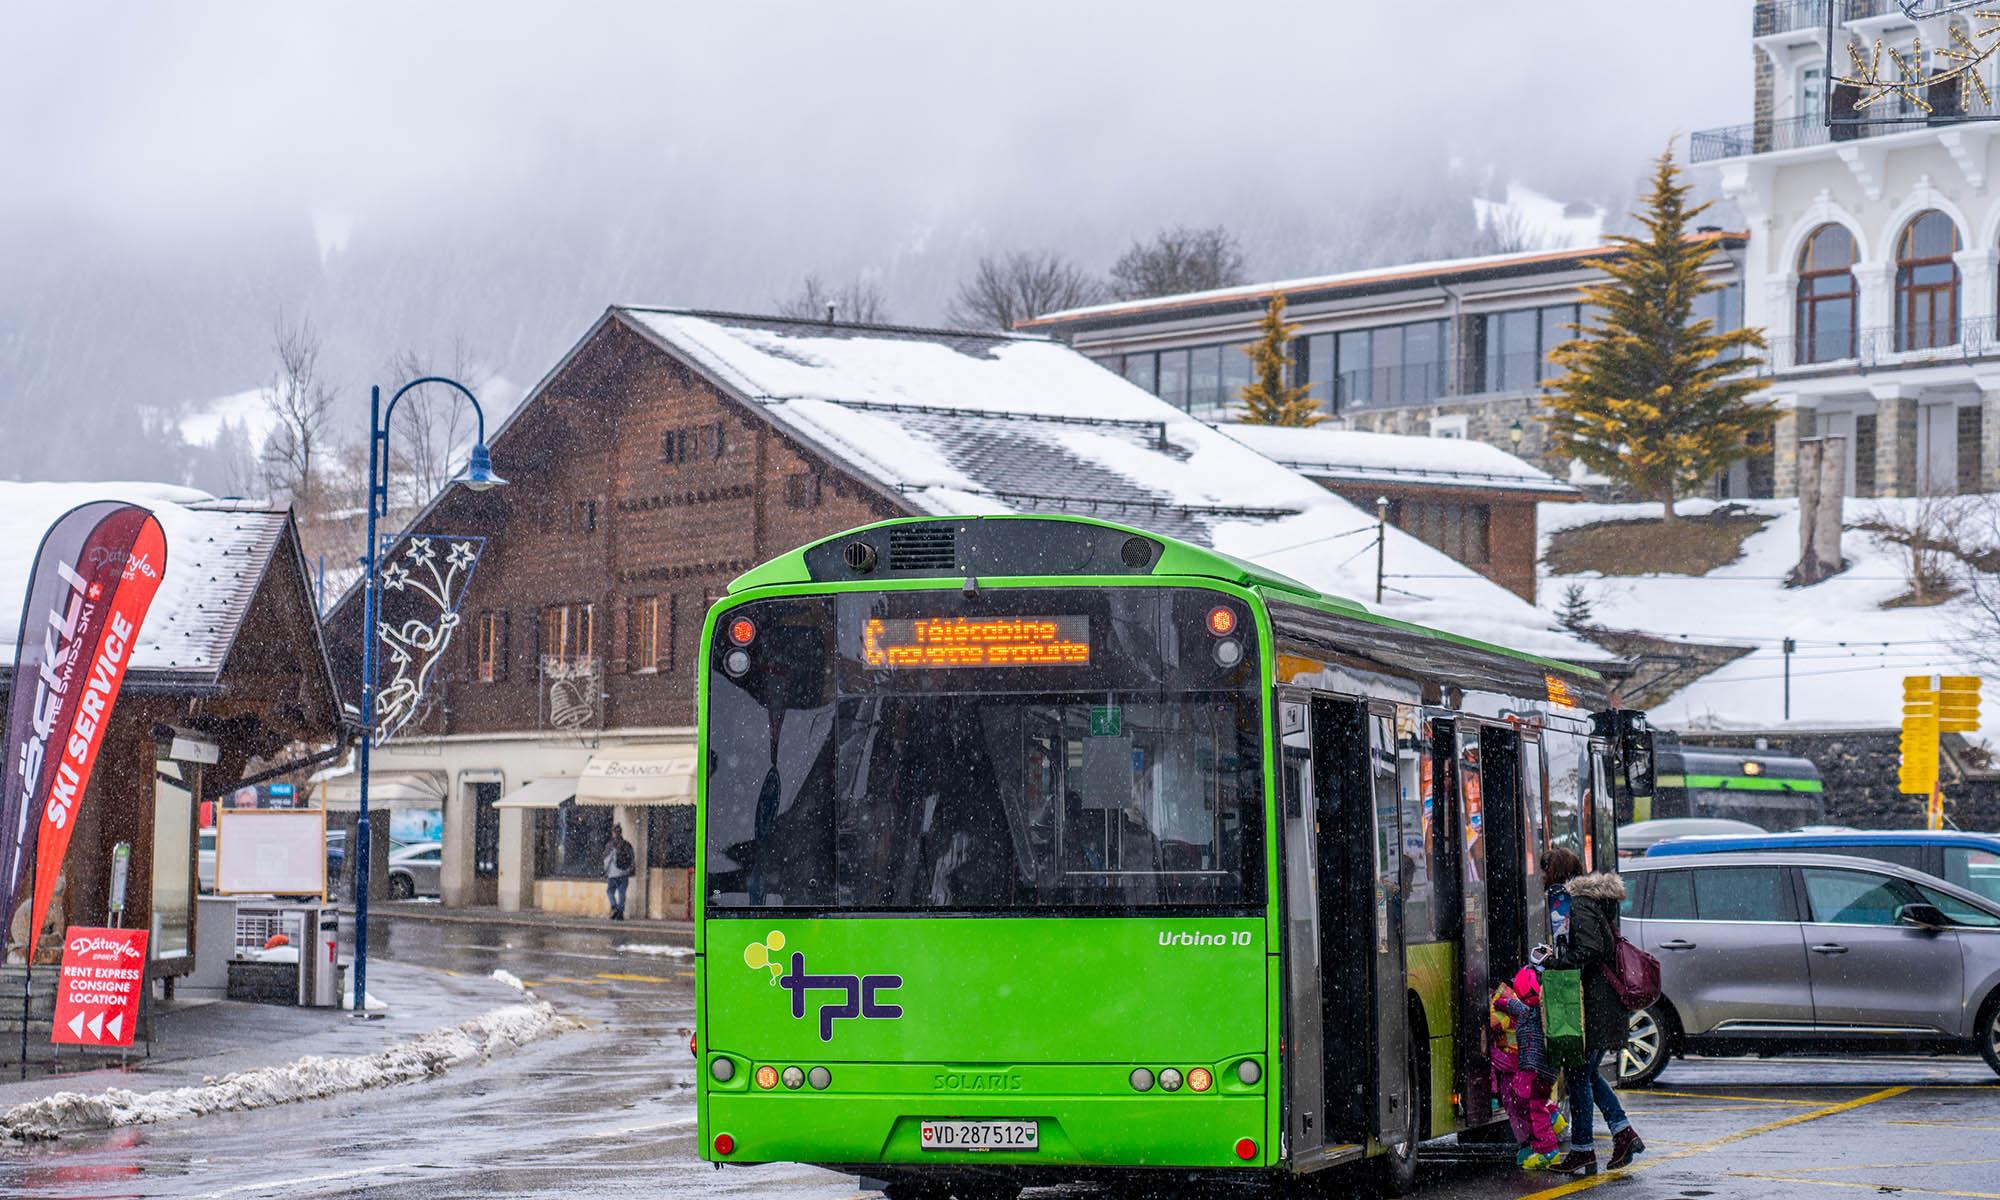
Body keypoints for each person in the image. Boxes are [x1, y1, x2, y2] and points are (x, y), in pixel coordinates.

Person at [1543, 847, 1644, 1175]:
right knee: (1585, 1073)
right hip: (1601, 1002)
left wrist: (1556, 961)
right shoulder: (1588, 902)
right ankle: (1623, 1133)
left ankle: (1583, 1150)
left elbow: (1591, 948)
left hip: (1597, 1004)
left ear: (1556, 873)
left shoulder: (1579, 904)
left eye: (1546, 871)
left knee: (1578, 1075)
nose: (1542, 878)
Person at [1490, 963, 1565, 1170]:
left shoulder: (1529, 1013)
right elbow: (1512, 1005)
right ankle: (1551, 1118)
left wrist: (1499, 1002)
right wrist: (1504, 1002)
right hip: (1544, 1071)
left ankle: (1547, 1151)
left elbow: (1509, 1008)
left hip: (1533, 1070)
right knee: (1531, 1103)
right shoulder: (1539, 1010)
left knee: (1533, 1108)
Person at [605, 826, 635, 920]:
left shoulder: (610, 845)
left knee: (610, 891)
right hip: (624, 873)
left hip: (613, 874)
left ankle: (614, 906)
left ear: (613, 833)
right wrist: (630, 870)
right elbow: (632, 858)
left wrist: (605, 871)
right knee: (622, 893)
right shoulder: (627, 845)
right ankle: (620, 913)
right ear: (621, 832)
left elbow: (607, 860)